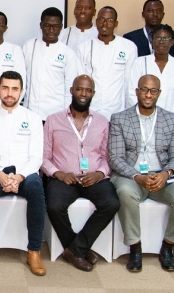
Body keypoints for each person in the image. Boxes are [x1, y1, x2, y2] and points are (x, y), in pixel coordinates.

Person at [109, 75, 174, 272]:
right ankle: (135, 247)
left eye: (153, 91)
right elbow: (115, 158)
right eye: (144, 90)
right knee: (125, 192)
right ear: (137, 91)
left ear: (159, 93)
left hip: (162, 177)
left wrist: (166, 174)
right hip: (131, 176)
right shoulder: (120, 118)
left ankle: (168, 245)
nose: (148, 95)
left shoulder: (171, 119)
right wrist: (137, 176)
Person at [43, 75, 118, 272]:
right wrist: (58, 174)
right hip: (64, 178)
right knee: (54, 206)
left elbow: (107, 156)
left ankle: (75, 249)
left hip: (93, 178)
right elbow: (43, 157)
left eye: (88, 90)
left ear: (93, 93)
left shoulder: (102, 122)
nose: (83, 94)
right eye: (79, 89)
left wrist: (99, 174)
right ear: (71, 90)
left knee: (111, 203)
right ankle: (78, 249)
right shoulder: (53, 120)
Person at [0, 71, 46, 275]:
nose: (9, 93)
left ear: (21, 92)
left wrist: (19, 176)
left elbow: (36, 156)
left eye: (15, 89)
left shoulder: (33, 119)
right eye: (5, 88)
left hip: (25, 172)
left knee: (36, 188)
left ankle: (33, 251)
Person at [23, 7, 83, 118]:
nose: (51, 30)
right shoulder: (29, 46)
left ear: (61, 27)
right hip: (30, 113)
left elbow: (69, 88)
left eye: (55, 26)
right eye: (47, 25)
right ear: (41, 25)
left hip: (56, 114)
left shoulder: (68, 54)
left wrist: (66, 115)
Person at [79, 6, 137, 118]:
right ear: (96, 22)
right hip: (91, 109)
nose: (105, 23)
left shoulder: (128, 47)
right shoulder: (84, 47)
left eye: (110, 20)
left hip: (117, 110)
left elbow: (129, 82)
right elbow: (80, 81)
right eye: (101, 19)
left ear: (116, 24)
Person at [128, 24, 174, 115]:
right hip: (144, 116)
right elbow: (132, 93)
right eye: (158, 38)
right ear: (151, 41)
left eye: (166, 39)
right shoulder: (139, 63)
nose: (161, 42)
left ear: (172, 42)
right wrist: (147, 112)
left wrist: (171, 116)